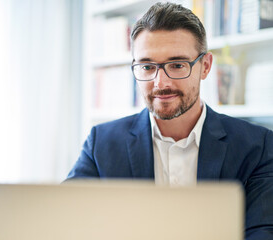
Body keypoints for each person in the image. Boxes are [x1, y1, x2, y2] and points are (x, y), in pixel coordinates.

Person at [67, 2, 273, 239]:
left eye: (176, 65)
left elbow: (263, 233)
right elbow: (66, 221)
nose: (160, 83)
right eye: (147, 66)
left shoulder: (258, 146)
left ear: (205, 66)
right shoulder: (101, 144)